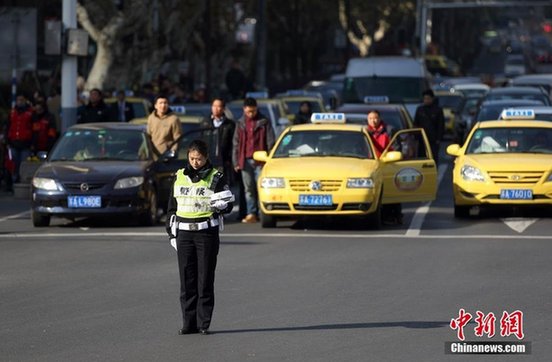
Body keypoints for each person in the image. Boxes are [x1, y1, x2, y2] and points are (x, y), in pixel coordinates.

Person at [166, 139, 233, 335]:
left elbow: (228, 202)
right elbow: (172, 208)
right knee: (187, 280)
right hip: (184, 234)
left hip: (206, 233)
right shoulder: (179, 176)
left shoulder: (216, 177)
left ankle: (204, 323)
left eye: (199, 159)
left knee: (204, 279)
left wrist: (223, 205)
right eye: (192, 158)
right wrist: (171, 233)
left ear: (206, 158)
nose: (195, 162)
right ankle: (189, 323)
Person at [232, 97, 275, 223]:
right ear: (244, 110)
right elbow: (236, 144)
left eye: (253, 111)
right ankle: (251, 213)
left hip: (261, 161)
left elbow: (270, 141)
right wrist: (236, 162)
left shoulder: (263, 122)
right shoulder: (240, 123)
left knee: (260, 187)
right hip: (245, 160)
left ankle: (263, 212)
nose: (251, 114)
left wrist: (269, 158)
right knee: (248, 189)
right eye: (249, 111)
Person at [366, 110, 402, 225]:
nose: (373, 121)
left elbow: (396, 148)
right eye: (370, 118)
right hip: (371, 165)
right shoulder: (365, 132)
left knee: (392, 191)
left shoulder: (389, 130)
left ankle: (395, 215)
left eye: (375, 118)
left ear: (380, 118)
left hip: (388, 164)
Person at [6, 93, 34, 188]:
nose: (19, 102)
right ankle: (13, 183)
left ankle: (22, 183)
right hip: (13, 143)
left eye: (21, 100)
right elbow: (8, 126)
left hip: (25, 144)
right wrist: (7, 141)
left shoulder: (30, 113)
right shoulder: (13, 112)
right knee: (13, 164)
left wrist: (32, 143)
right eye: (18, 100)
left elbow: (33, 129)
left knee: (23, 165)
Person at [414, 89, 444, 165]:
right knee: (421, 158)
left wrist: (438, 139)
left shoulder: (437, 110)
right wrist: (416, 136)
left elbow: (441, 125)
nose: (426, 100)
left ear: (432, 99)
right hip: (422, 139)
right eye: (425, 99)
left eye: (428, 99)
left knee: (433, 158)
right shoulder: (420, 110)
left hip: (433, 140)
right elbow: (416, 124)